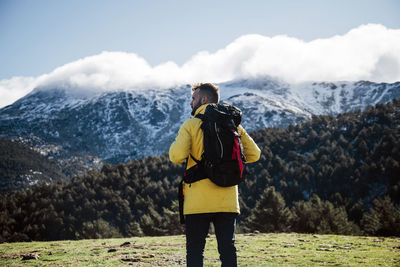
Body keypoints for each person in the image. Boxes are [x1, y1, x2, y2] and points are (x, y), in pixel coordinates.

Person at [169, 82, 261, 267]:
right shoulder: (233, 125)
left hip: (197, 202)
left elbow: (176, 156)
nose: (190, 103)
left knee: (195, 251)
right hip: (227, 200)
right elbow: (254, 154)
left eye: (193, 99)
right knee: (228, 250)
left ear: (203, 99)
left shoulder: (192, 124)